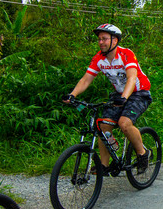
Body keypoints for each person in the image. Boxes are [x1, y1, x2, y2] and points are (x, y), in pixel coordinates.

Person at [63, 24, 152, 175]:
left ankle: (143, 153)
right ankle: (104, 165)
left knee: (124, 123)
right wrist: (73, 95)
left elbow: (131, 78)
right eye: (99, 39)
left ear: (115, 40)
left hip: (139, 93)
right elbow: (86, 80)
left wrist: (124, 97)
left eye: (104, 39)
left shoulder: (126, 54)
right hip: (119, 95)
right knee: (103, 126)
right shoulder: (99, 58)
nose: (101, 42)